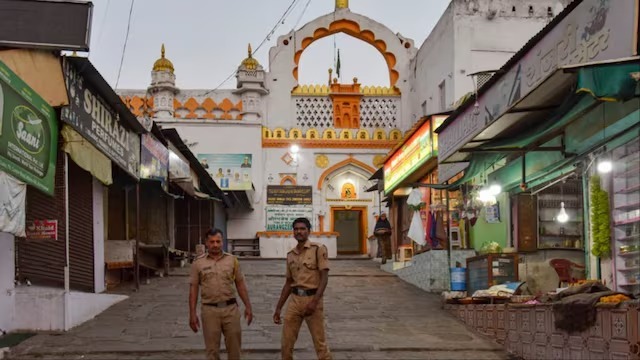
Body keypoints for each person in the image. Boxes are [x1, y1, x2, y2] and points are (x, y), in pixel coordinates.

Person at [189, 228, 253, 360]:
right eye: (212, 242)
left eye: (218, 241)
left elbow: (240, 284)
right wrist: (192, 314)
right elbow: (193, 289)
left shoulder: (232, 261)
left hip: (231, 310)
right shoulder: (198, 263)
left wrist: (248, 306)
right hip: (209, 311)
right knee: (212, 351)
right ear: (206, 243)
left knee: (235, 349)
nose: (215, 245)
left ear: (222, 242)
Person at [273, 218, 332, 360]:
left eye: (302, 229)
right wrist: (279, 308)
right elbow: (288, 282)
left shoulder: (318, 249)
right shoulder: (290, 255)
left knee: (320, 343)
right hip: (294, 301)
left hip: (313, 300)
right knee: (286, 342)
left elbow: (324, 278)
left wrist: (315, 301)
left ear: (308, 231)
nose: (299, 231)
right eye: (296, 229)